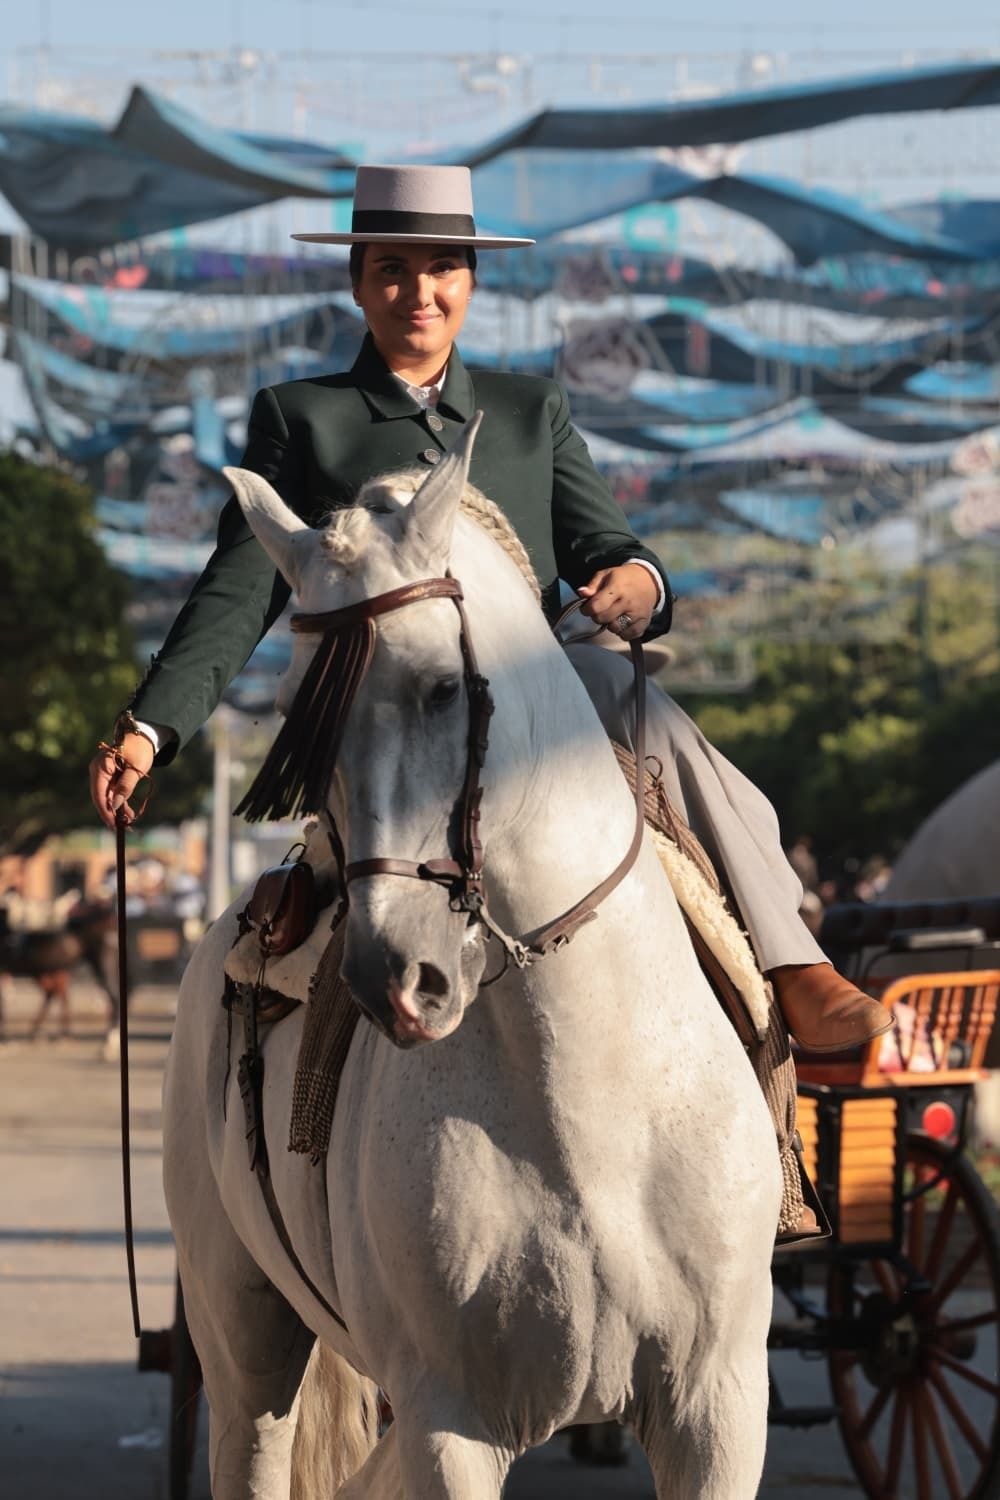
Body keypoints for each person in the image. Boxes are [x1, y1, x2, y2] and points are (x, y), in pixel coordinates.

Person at [89, 164, 891, 1055]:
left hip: (538, 697)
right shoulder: (302, 417)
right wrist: (149, 729)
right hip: (390, 712)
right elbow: (242, 585)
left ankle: (793, 968)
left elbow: (610, 547)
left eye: (442, 268)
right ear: (358, 282)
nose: (418, 293)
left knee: (623, 692)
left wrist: (638, 581)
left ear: (471, 278)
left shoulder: (527, 410)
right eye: (391, 268)